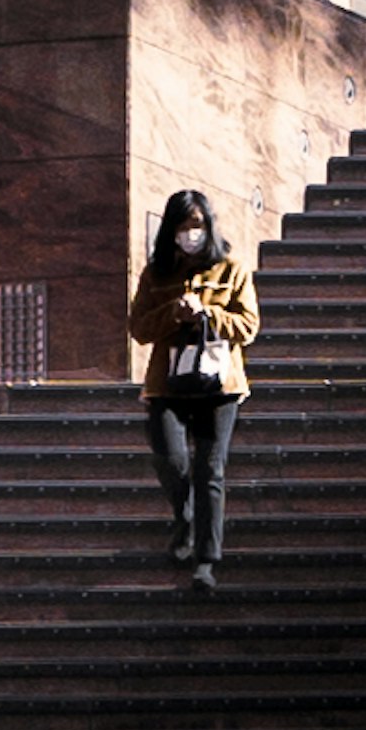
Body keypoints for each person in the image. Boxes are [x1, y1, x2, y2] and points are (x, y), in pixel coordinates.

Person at [130, 185, 258, 595]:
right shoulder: (156, 274)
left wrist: (210, 314)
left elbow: (249, 327)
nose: (191, 233)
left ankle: (206, 560)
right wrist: (174, 310)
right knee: (170, 459)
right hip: (167, 384)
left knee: (210, 470)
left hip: (218, 385)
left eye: (197, 225)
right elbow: (139, 328)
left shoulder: (232, 269)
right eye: (183, 226)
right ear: (171, 231)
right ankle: (184, 517)